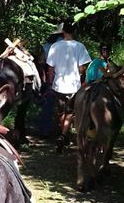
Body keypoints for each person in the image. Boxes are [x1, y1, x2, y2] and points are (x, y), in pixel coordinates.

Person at [45, 20, 91, 152]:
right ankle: (63, 135)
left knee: (61, 112)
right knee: (70, 112)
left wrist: (49, 81)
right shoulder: (79, 46)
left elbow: (50, 68)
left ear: (63, 32)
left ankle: (63, 135)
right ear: (74, 31)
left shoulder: (55, 46)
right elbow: (82, 68)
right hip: (73, 85)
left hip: (58, 84)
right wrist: (80, 74)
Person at [35, 23, 64, 137]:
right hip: (63, 76)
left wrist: (44, 78)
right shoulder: (65, 44)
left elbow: (42, 63)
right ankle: (62, 132)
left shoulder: (46, 45)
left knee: (48, 104)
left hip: (49, 76)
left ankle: (44, 130)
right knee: (65, 106)